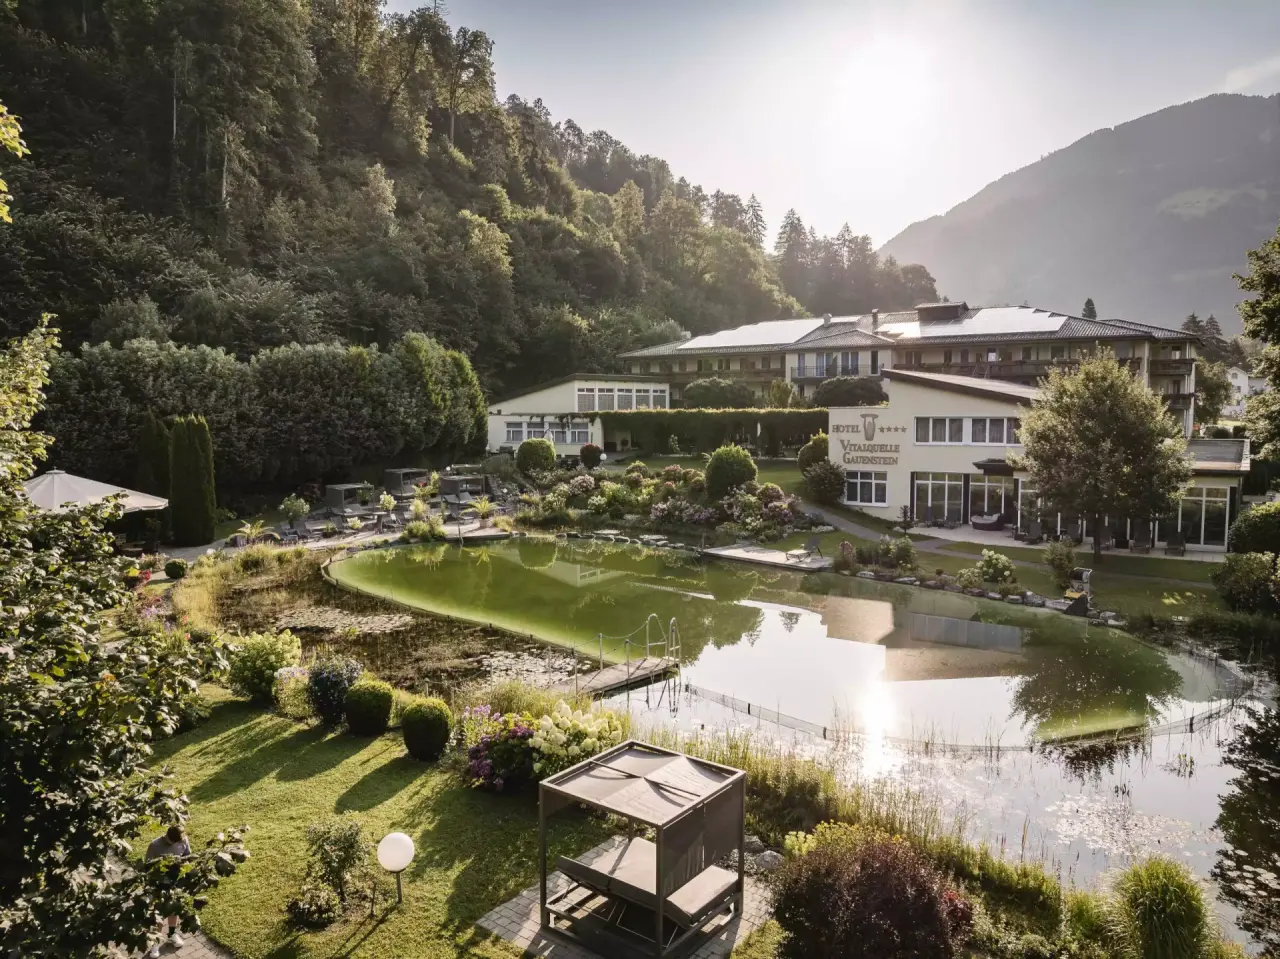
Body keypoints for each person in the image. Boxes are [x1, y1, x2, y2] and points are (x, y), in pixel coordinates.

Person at [145, 825, 191, 957]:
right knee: (159, 915)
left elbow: (187, 856)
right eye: (173, 842)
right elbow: (147, 867)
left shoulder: (183, 840)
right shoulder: (154, 845)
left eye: (179, 841)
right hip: (159, 883)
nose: (177, 844)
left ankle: (171, 935)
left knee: (174, 909)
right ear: (167, 837)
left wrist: (184, 865)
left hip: (176, 881)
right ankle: (155, 943)